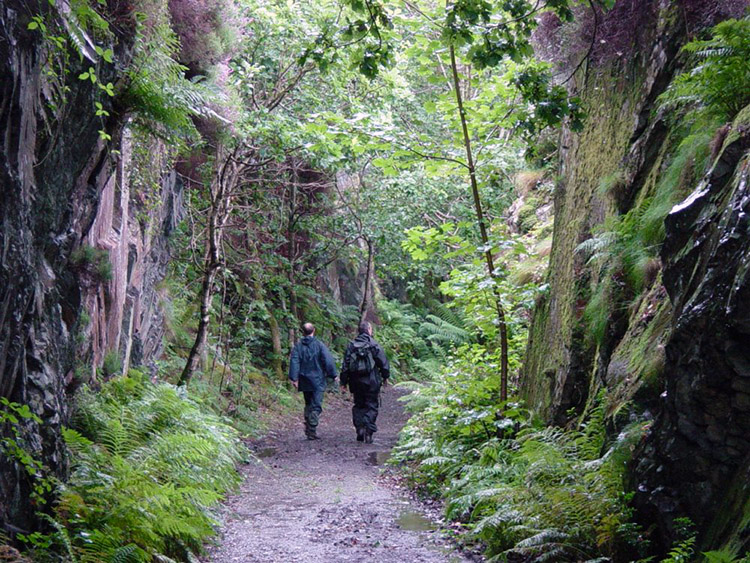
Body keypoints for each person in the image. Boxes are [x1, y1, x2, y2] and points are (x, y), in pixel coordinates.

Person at [340, 321, 390, 443]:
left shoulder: (352, 345)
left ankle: (360, 429)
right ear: (368, 330)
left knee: (359, 405)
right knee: (372, 405)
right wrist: (385, 377)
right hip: (372, 381)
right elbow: (383, 362)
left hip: (355, 381)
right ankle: (368, 430)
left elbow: (345, 365)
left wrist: (343, 382)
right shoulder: (374, 345)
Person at [288, 322, 337, 440]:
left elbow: (294, 362)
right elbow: (328, 360)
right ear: (313, 330)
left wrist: (294, 378)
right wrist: (333, 374)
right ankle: (312, 428)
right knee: (316, 405)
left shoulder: (298, 346)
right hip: (317, 380)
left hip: (304, 379)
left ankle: (309, 425)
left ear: (303, 332)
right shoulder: (319, 345)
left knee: (308, 403)